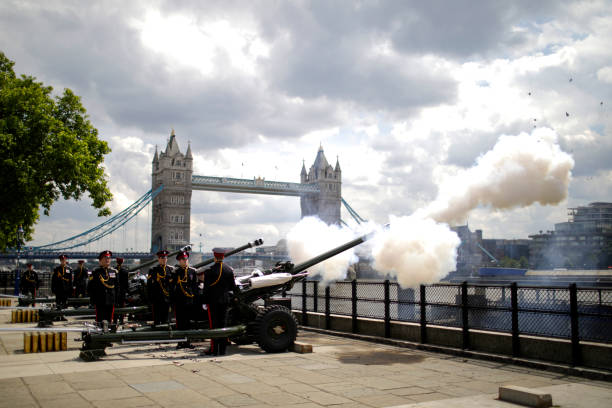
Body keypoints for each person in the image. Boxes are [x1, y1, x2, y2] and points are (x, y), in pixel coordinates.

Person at [203, 248, 237, 356]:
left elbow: (206, 289)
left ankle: (214, 349)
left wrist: (204, 302)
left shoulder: (209, 271)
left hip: (213, 302)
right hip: (224, 302)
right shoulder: (229, 270)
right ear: (223, 257)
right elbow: (233, 287)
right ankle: (222, 350)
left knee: (214, 325)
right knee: (223, 325)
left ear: (214, 257)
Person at [171, 250, 197, 349]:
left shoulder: (192, 271)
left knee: (188, 323)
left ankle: (187, 341)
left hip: (189, 301)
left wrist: (194, 299)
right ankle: (180, 342)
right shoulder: (176, 272)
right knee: (180, 323)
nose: (185, 261)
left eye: (186, 259)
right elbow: (172, 287)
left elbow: (194, 287)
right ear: (179, 261)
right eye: (182, 259)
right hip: (179, 301)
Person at [89, 250, 118, 326]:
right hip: (100, 300)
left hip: (110, 299)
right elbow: (90, 287)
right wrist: (92, 300)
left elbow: (117, 287)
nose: (107, 260)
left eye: (109, 258)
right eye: (105, 258)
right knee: (99, 320)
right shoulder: (96, 272)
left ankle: (108, 335)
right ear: (100, 260)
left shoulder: (114, 272)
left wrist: (116, 299)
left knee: (109, 320)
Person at [147, 250, 173, 326]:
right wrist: (150, 298)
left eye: (165, 258)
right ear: (159, 259)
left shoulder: (170, 270)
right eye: (162, 258)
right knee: (157, 320)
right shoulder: (153, 270)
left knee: (166, 319)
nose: (163, 260)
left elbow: (172, 285)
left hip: (167, 298)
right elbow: (149, 286)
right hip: (157, 298)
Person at [113, 257, 129, 324]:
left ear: (117, 262)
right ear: (122, 262)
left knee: (115, 306)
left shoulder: (113, 270)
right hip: (122, 292)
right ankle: (121, 320)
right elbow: (126, 283)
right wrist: (127, 291)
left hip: (115, 291)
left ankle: (115, 320)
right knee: (122, 306)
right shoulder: (125, 271)